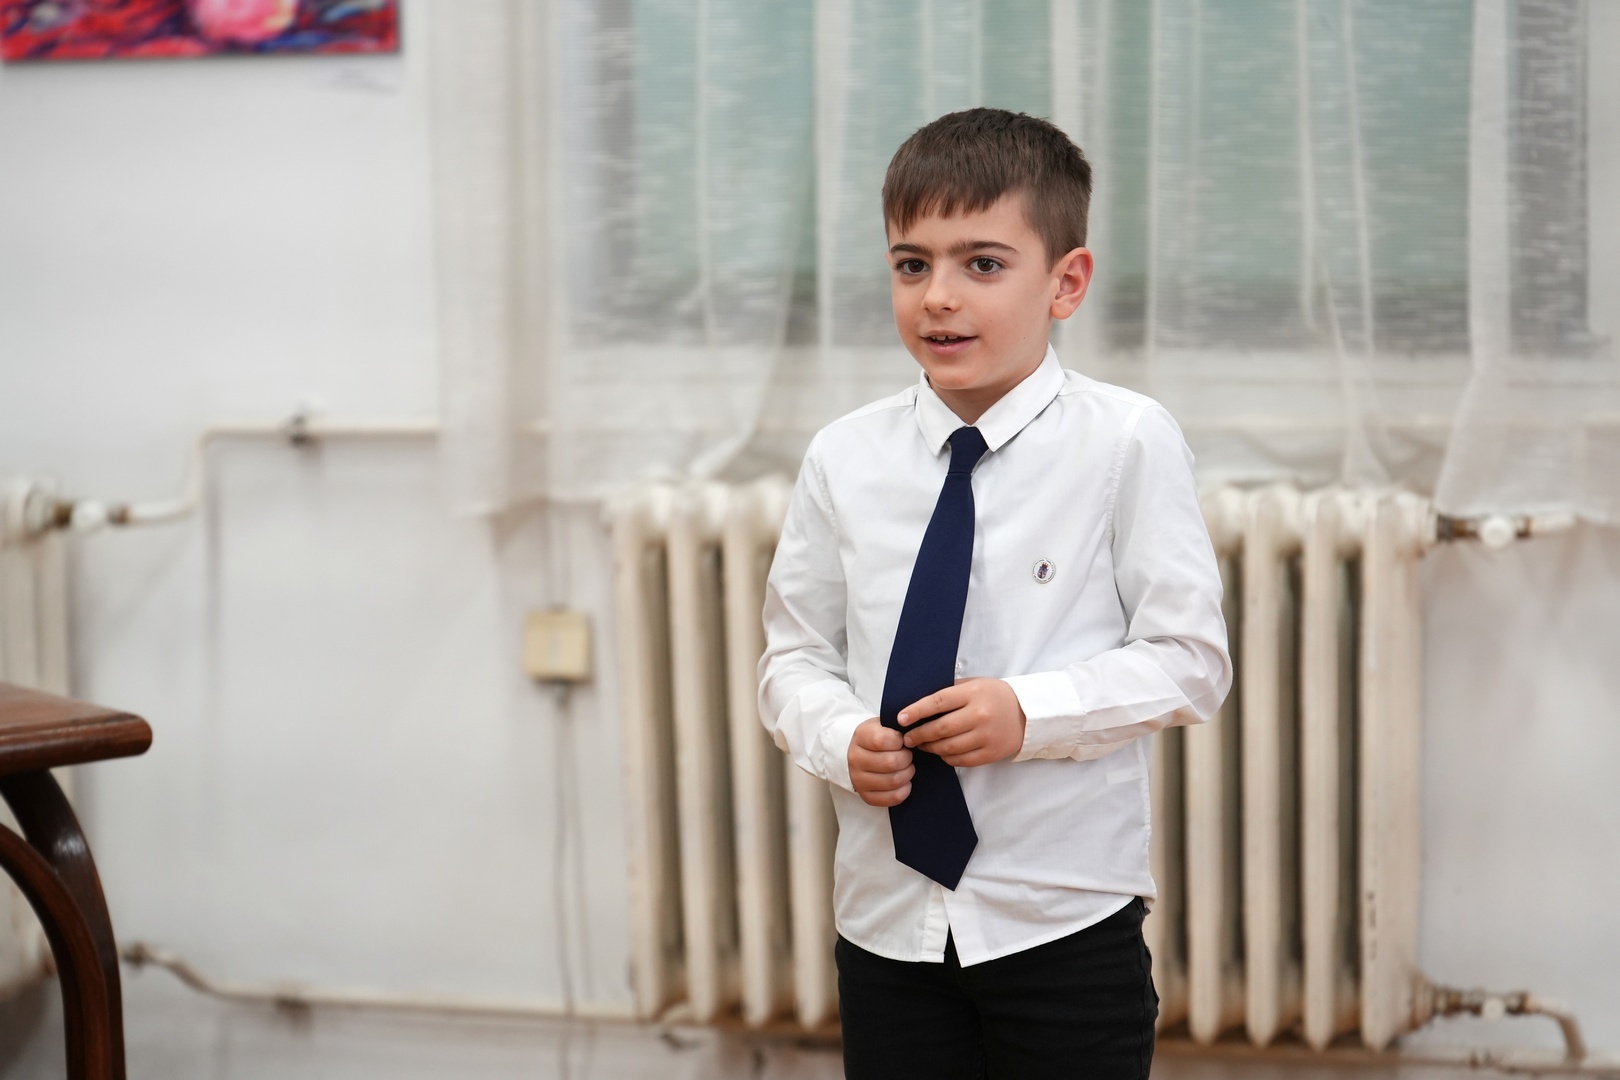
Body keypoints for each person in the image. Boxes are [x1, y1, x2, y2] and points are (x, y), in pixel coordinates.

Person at [756, 108, 1232, 1078]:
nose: (939, 297)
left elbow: (1191, 661)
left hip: (1060, 924)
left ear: (1066, 283)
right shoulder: (843, 457)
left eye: (982, 263)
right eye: (911, 264)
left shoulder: (1125, 441)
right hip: (887, 926)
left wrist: (1028, 713)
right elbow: (793, 658)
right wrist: (839, 738)